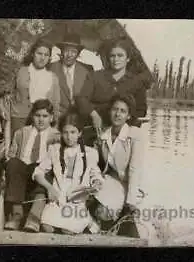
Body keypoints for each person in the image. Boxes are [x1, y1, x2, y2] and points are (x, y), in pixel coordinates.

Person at [32, 111, 104, 234]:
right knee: (47, 228)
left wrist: (96, 183)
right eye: (65, 132)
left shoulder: (90, 153)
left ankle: (88, 220)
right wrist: (50, 188)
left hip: (77, 198)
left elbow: (96, 174)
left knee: (67, 230)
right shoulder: (54, 150)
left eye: (73, 132)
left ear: (80, 133)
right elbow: (38, 172)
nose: (69, 137)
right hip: (58, 196)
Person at [4, 99, 61, 231]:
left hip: (42, 174)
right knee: (13, 163)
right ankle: (16, 216)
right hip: (23, 171)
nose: (41, 120)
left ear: (51, 118)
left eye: (45, 116)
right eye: (37, 116)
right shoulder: (21, 133)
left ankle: (33, 218)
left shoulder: (56, 136)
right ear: (32, 116)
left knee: (46, 170)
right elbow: (12, 155)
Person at [91, 94, 144, 236]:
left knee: (109, 213)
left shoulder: (135, 135)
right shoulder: (104, 135)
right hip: (110, 180)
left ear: (128, 116)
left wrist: (131, 201)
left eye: (123, 111)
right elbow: (95, 164)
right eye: (115, 109)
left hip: (129, 183)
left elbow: (134, 169)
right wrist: (97, 179)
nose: (118, 114)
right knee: (94, 205)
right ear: (110, 111)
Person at [76, 38, 150, 137]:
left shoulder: (137, 82)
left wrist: (123, 123)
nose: (116, 60)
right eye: (112, 56)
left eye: (120, 56)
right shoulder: (95, 76)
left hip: (124, 132)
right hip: (95, 129)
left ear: (128, 58)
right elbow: (82, 99)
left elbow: (141, 110)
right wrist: (93, 114)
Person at [1, 38, 60, 137]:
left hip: (42, 121)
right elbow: (5, 93)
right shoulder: (20, 71)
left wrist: (55, 126)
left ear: (49, 57)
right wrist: (5, 110)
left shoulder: (53, 77)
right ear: (33, 54)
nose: (42, 58)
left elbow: (56, 104)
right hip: (19, 119)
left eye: (46, 55)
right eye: (39, 53)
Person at [50, 33, 94, 115]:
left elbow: (90, 98)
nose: (69, 55)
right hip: (56, 115)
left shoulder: (87, 71)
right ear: (61, 51)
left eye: (73, 51)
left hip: (80, 117)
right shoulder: (51, 68)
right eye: (66, 50)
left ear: (78, 54)